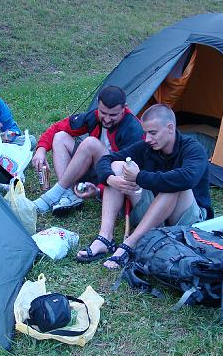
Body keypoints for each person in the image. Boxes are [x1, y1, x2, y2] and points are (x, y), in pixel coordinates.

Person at [77, 103, 213, 268]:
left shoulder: (193, 149)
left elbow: (187, 179)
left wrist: (139, 177)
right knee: (117, 166)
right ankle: (105, 238)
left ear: (170, 128)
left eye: (153, 133)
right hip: (154, 215)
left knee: (173, 185)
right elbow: (106, 159)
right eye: (145, 133)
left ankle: (131, 243)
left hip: (188, 221)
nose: (147, 139)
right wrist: (110, 179)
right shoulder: (147, 147)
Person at [31, 86, 143, 216]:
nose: (107, 119)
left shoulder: (132, 129)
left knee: (90, 143)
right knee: (60, 137)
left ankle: (52, 195)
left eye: (113, 115)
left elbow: (128, 174)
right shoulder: (93, 117)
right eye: (103, 113)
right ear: (98, 105)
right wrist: (41, 149)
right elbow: (58, 127)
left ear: (124, 108)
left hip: (114, 183)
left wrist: (98, 190)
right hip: (95, 171)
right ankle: (68, 194)